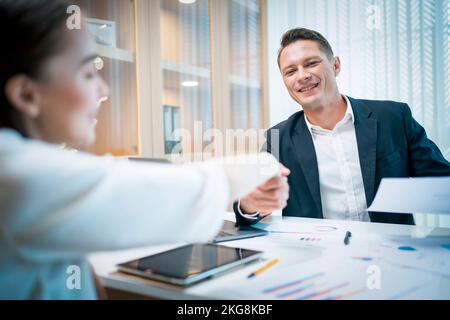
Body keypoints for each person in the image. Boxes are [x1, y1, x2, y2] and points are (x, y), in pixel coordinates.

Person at [0, 0, 288, 299]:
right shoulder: (17, 176)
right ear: (27, 93)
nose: (104, 90)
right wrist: (262, 166)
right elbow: (188, 190)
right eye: (88, 73)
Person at [235, 27, 450, 226]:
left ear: (335, 65)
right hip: (318, 256)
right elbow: (246, 212)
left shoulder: (393, 118)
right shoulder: (279, 138)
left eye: (311, 63)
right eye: (290, 71)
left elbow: (442, 182)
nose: (302, 76)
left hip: (393, 253)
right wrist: (249, 205)